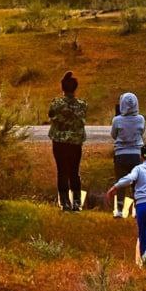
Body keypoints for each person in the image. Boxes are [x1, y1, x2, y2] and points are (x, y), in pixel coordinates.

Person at [105, 143, 146, 266]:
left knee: (142, 232)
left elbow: (129, 178)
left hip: (141, 205)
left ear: (141, 156)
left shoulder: (138, 169)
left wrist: (115, 187)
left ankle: (143, 260)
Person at [47, 71, 87, 212]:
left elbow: (50, 114)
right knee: (74, 172)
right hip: (76, 142)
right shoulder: (82, 105)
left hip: (59, 142)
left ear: (62, 88)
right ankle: (77, 202)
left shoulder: (56, 103)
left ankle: (64, 202)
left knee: (62, 171)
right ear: (75, 88)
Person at [109, 92, 145, 218]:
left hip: (121, 154)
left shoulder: (117, 120)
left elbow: (113, 135)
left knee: (121, 182)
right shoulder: (140, 119)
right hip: (136, 154)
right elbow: (142, 132)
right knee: (137, 183)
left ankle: (119, 210)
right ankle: (137, 210)